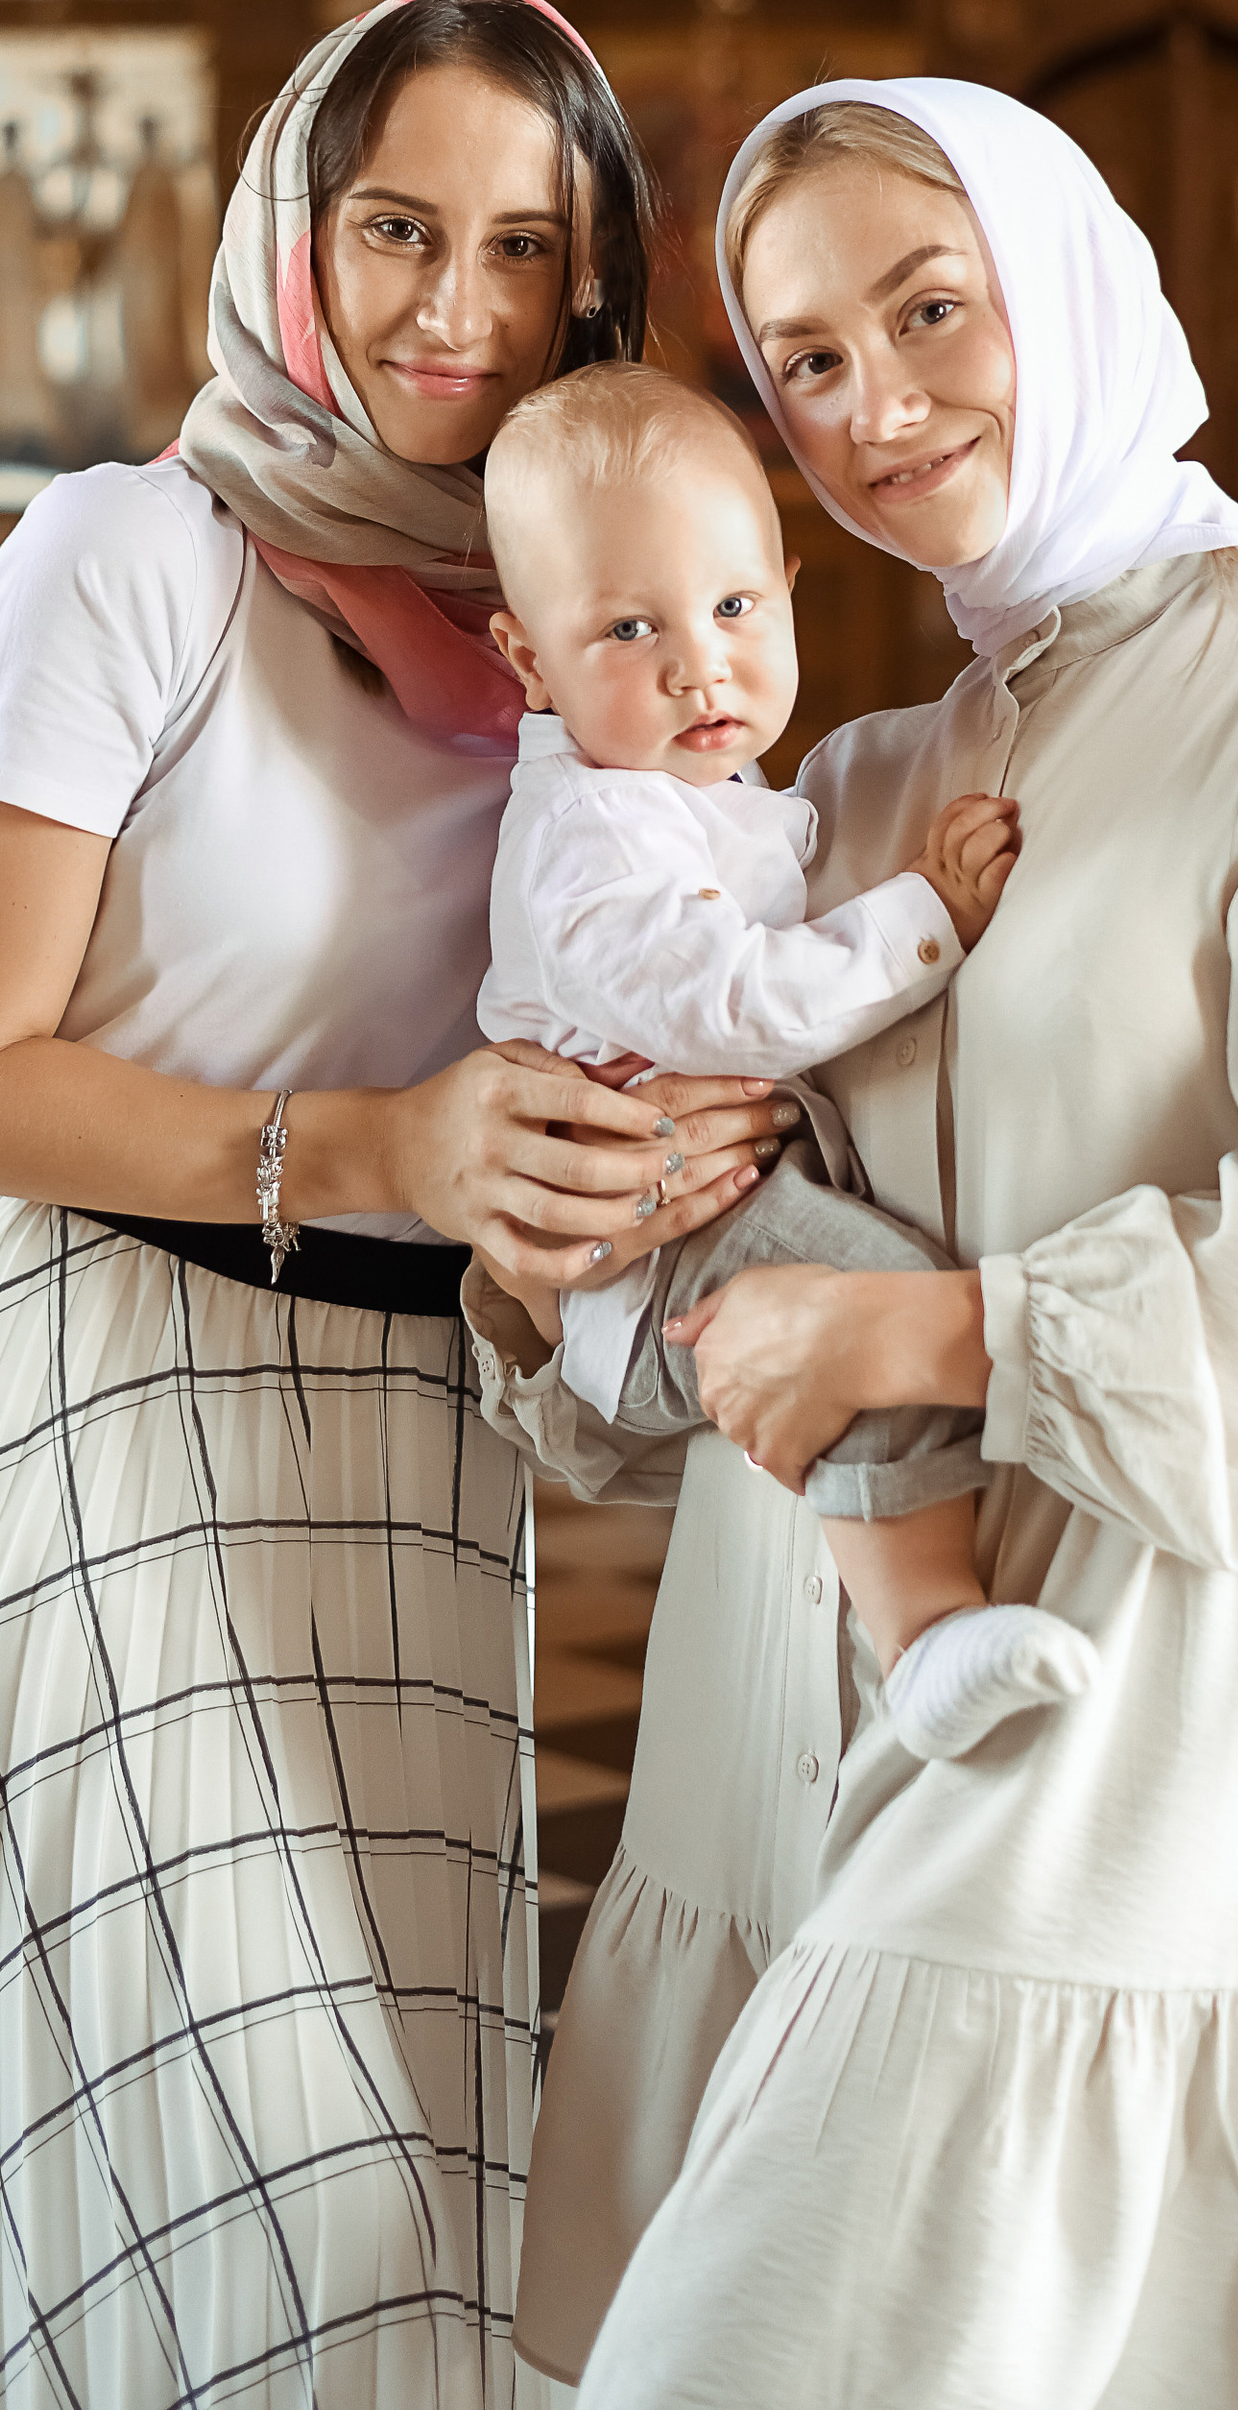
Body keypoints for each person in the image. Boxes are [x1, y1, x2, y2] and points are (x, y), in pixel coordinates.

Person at [0, 0, 790, 2410]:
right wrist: (389, 1149)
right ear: (295, 240)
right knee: (278, 2185)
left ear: (589, 286)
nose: (455, 308)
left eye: (522, 251)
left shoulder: (570, 632)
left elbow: (612, 1012)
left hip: (405, 1470)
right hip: (98, 1411)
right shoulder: (130, 558)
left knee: (412, 2222)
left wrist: (648, 1153)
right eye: (397, 228)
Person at [474, 77, 1238, 2408]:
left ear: (1060, 282)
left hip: (1172, 1667)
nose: (879, 406)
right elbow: (685, 1311)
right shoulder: (840, 793)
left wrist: (904, 1323)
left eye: (926, 307)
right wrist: (547, 1248)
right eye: (804, 368)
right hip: (794, 1701)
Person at [478, 360, 1090, 1764]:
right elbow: (731, 1006)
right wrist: (927, 916)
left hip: (699, 1207)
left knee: (870, 1282)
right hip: (644, 1258)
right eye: (630, 628)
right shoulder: (593, 835)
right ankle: (926, 1633)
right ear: (530, 660)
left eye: (737, 608)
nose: (700, 663)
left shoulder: (704, 791)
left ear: (791, 590)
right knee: (871, 1300)